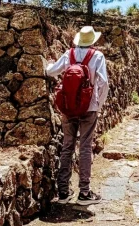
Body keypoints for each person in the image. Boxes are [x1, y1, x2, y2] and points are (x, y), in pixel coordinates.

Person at [46, 26, 109, 205]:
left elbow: (52, 71)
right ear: (93, 41)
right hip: (89, 107)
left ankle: (63, 192)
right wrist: (98, 104)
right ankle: (84, 192)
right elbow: (104, 83)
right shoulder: (97, 56)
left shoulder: (69, 54)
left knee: (67, 146)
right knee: (85, 147)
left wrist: (47, 64)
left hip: (69, 107)